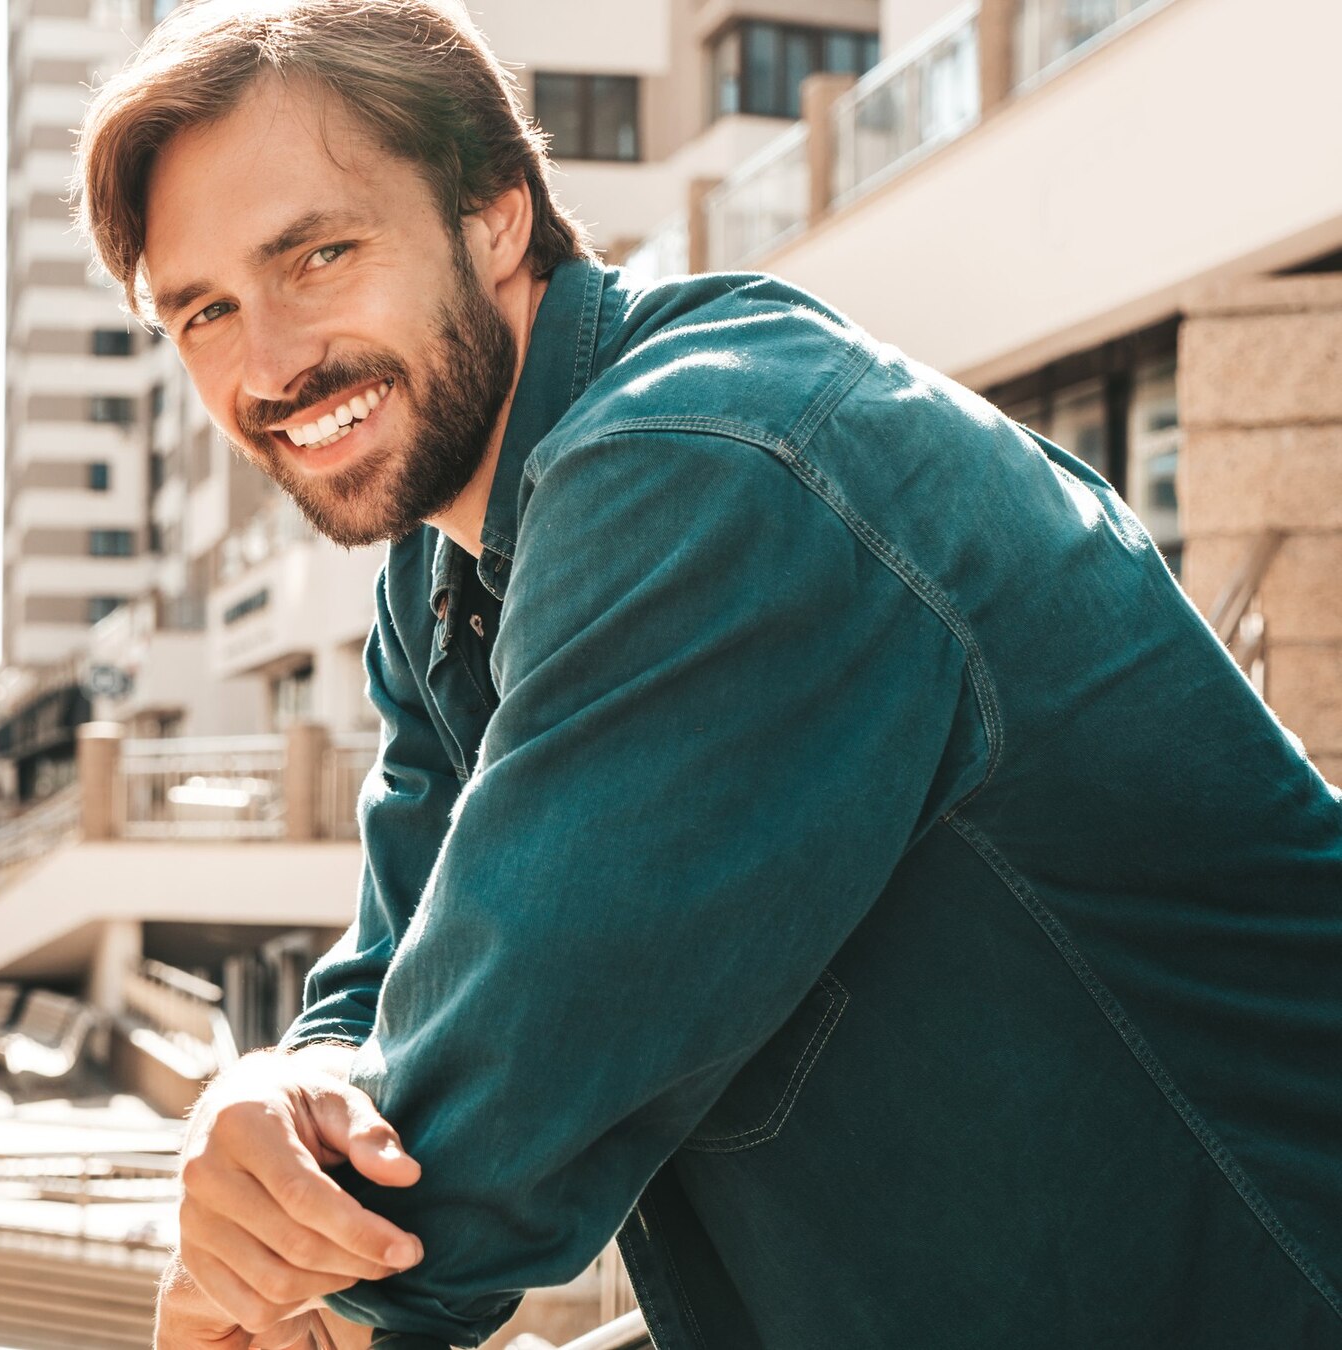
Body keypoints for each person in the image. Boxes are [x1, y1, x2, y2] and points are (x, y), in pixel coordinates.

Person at [74, 2, 1342, 1346]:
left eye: (318, 253)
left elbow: (452, 1168)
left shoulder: (708, 465)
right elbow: (389, 996)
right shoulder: (442, 568)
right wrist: (273, 1091)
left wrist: (268, 1261)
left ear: (496, 212)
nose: (266, 362)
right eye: (204, 311)